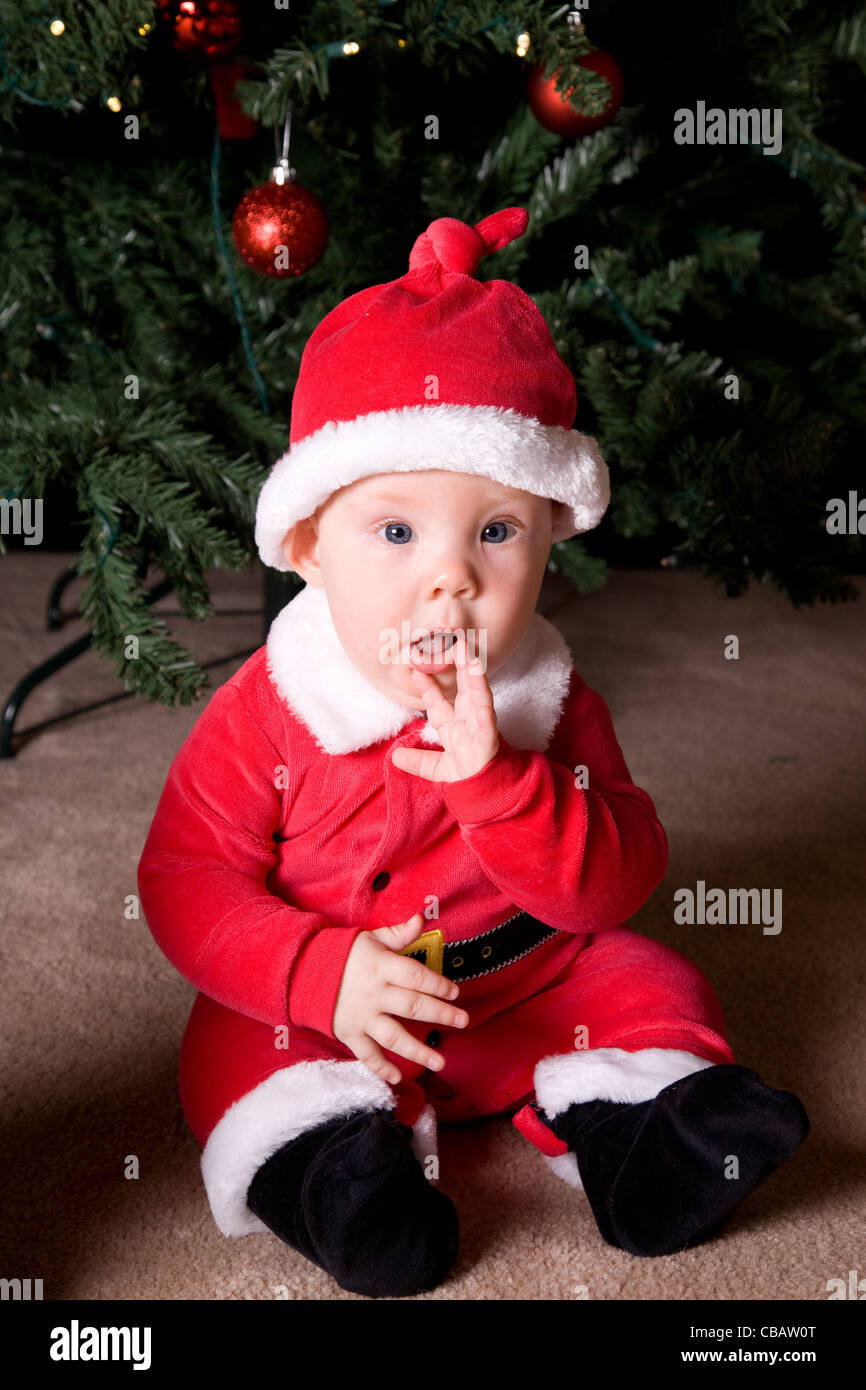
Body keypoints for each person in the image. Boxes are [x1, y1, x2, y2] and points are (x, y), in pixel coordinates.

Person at [137, 206, 808, 1298]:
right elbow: (182, 880)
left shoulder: (549, 700)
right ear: (306, 544)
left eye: (495, 532)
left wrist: (504, 784)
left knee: (648, 973)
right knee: (231, 1044)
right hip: (339, 1008)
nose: (448, 578)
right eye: (395, 532)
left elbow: (618, 876)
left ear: (547, 537)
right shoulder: (273, 709)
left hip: (531, 987)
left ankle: (639, 1132)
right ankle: (333, 1177)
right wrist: (317, 971)